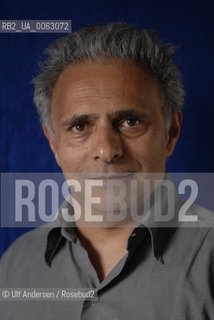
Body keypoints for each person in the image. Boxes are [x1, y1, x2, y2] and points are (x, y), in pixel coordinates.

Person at [0, 22, 213, 320]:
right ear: (53, 143)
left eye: (130, 122)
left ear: (171, 132)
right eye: (79, 126)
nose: (106, 149)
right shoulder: (13, 267)